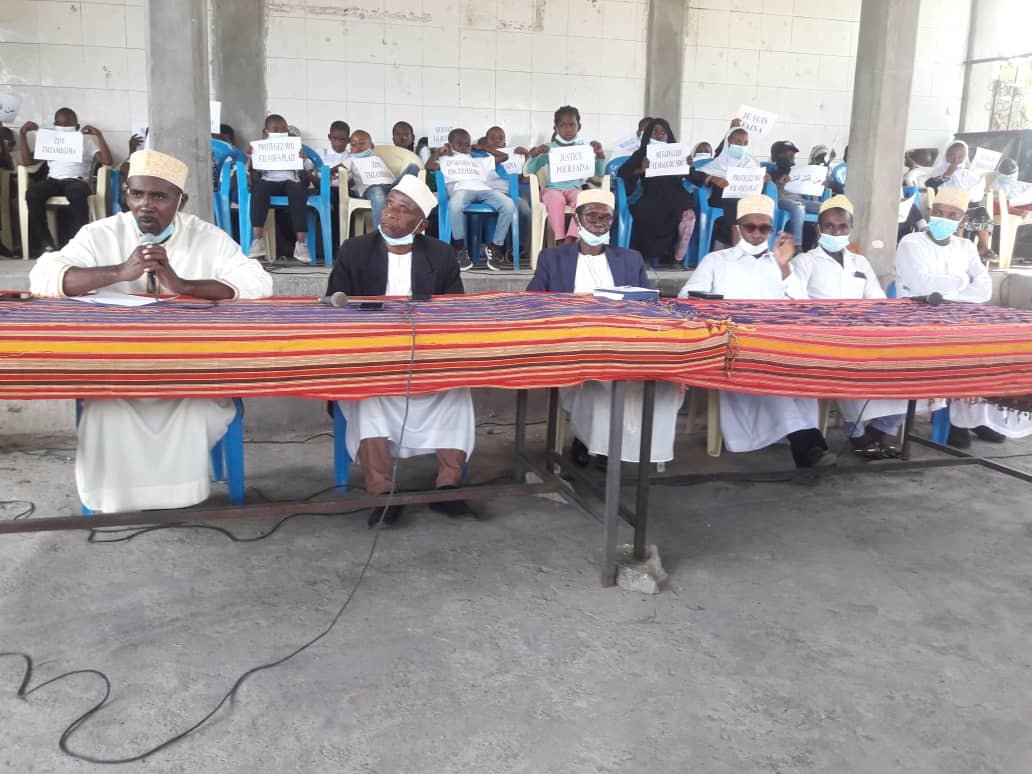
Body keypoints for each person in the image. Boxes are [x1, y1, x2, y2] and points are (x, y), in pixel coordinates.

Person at [28, 150, 272, 512]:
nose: (145, 205)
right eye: (137, 194)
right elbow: (44, 276)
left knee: (192, 413)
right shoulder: (100, 234)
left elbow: (257, 281)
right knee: (107, 414)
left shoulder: (206, 237)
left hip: (190, 375)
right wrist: (118, 273)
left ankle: (180, 495)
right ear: (125, 195)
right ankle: (116, 500)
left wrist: (182, 284)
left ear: (180, 201)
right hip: (118, 375)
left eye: (159, 196)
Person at [327, 175, 474, 527]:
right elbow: (333, 307)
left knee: (457, 391)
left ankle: (448, 487)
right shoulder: (355, 250)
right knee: (369, 397)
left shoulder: (439, 254)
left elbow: (455, 310)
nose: (391, 213)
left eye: (404, 209)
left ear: (421, 225)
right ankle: (382, 492)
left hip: (425, 356)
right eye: (390, 203)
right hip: (371, 358)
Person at [527, 189, 684, 466]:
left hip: (626, 342)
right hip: (578, 346)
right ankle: (594, 443)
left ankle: (640, 449)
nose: (599, 223)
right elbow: (533, 302)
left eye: (606, 218)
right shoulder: (553, 258)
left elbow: (649, 302)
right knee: (602, 384)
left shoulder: (630, 258)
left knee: (663, 383)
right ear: (577, 219)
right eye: (591, 216)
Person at [678, 194, 836, 469]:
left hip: (776, 343)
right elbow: (687, 297)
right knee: (766, 375)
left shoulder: (781, 263)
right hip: (733, 345)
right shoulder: (716, 260)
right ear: (738, 228)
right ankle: (807, 444)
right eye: (750, 227)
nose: (757, 233)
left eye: (764, 228)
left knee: (797, 373)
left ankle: (804, 440)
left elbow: (802, 304)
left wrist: (784, 266)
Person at [895, 184, 1032, 446]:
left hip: (959, 315)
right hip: (917, 317)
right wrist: (962, 281)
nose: (943, 219)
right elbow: (922, 286)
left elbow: (984, 289)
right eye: (938, 212)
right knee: (955, 349)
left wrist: (947, 290)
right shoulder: (912, 242)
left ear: (962, 220)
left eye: (952, 215)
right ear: (931, 211)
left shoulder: (965, 247)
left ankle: (976, 416)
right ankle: (953, 420)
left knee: (989, 348)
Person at [786, 195, 907, 457]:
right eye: (829, 226)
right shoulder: (805, 261)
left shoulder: (859, 262)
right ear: (818, 228)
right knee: (848, 365)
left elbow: (876, 299)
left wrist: (870, 322)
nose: (836, 232)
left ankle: (882, 429)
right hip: (822, 336)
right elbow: (797, 300)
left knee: (904, 365)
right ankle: (857, 433)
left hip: (861, 332)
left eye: (842, 227)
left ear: (850, 228)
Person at [19, 107, 113, 255]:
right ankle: (46, 241)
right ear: (54, 125)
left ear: (76, 126)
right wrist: (23, 135)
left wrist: (99, 135)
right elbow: (27, 161)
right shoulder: (51, 140)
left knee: (77, 194)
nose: (62, 128)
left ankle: (79, 242)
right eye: (59, 124)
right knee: (32, 193)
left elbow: (107, 161)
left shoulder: (84, 140)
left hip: (76, 181)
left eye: (67, 125)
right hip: (53, 181)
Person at [425, 127, 515, 270]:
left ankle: (495, 246)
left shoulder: (477, 159)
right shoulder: (446, 159)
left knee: (508, 204)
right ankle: (460, 248)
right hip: (461, 190)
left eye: (467, 144)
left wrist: (484, 147)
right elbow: (429, 166)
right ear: (450, 144)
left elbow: (504, 157)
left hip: (483, 189)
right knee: (455, 205)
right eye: (459, 144)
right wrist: (438, 152)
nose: (464, 147)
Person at [521, 105, 606, 244]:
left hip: (574, 189)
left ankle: (571, 238)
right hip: (552, 189)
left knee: (583, 200)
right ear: (556, 128)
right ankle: (560, 239)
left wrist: (600, 155)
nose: (568, 129)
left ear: (579, 126)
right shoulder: (549, 148)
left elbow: (599, 173)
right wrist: (535, 155)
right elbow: (528, 171)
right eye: (563, 125)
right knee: (555, 199)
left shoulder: (584, 148)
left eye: (572, 125)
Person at [617, 118, 696, 265]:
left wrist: (689, 166)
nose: (659, 135)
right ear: (648, 135)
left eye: (663, 132)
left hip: (676, 195)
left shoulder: (678, 152)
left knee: (684, 213)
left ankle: (675, 255)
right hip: (651, 195)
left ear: (668, 135)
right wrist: (641, 169)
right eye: (654, 132)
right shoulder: (641, 154)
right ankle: (647, 254)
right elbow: (622, 174)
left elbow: (694, 177)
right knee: (644, 213)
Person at [686, 120, 763, 248]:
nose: (742, 146)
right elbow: (697, 175)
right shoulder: (717, 164)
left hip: (745, 202)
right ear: (728, 143)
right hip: (721, 202)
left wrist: (763, 177)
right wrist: (713, 178)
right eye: (738, 142)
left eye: (745, 143)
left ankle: (750, 248)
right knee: (735, 205)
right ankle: (737, 248)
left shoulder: (750, 163)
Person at [246, 113, 311, 262]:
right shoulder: (259, 149)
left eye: (284, 130)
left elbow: (306, 179)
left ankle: (301, 244)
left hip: (290, 181)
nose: (280, 133)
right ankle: (257, 241)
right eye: (275, 130)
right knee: (258, 190)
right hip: (267, 181)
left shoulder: (295, 148)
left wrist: (302, 160)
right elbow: (253, 179)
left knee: (298, 191)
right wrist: (252, 160)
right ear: (266, 132)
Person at [925, 140, 994, 260]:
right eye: (952, 155)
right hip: (946, 207)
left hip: (965, 206)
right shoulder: (939, 171)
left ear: (965, 157)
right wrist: (948, 173)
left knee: (980, 211)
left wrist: (983, 188)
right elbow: (930, 185)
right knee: (961, 214)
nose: (956, 158)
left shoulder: (967, 174)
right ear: (946, 155)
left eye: (960, 156)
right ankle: (959, 248)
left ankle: (983, 247)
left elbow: (977, 189)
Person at [339, 129, 421, 229]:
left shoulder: (377, 158)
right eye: (353, 145)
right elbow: (339, 169)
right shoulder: (352, 159)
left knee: (413, 167)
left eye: (362, 143)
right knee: (378, 194)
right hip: (372, 189)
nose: (358, 147)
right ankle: (381, 233)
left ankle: (402, 199)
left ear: (372, 146)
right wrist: (329, 173)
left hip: (391, 188)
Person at [480, 125, 531, 267]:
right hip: (486, 195)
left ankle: (518, 248)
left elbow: (525, 179)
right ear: (486, 141)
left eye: (500, 138)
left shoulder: (511, 156)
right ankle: (493, 248)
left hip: (509, 195)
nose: (496, 141)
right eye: (492, 138)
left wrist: (526, 157)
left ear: (505, 142)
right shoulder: (480, 156)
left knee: (525, 209)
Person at [768, 139, 821, 249]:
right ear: (776, 155)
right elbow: (768, 188)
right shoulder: (770, 172)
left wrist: (820, 184)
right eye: (785, 154)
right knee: (798, 207)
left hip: (800, 200)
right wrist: (777, 182)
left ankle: (822, 242)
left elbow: (810, 189)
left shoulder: (798, 172)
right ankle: (797, 245)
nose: (789, 157)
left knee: (825, 207)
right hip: (781, 200)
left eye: (792, 155)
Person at [320, 120, 351, 250]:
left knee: (342, 204)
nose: (338, 143)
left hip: (346, 190)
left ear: (348, 140)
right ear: (329, 137)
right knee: (330, 201)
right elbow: (313, 174)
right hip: (324, 190)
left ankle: (341, 246)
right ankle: (330, 247)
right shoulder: (321, 153)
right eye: (335, 138)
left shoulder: (350, 156)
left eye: (343, 140)